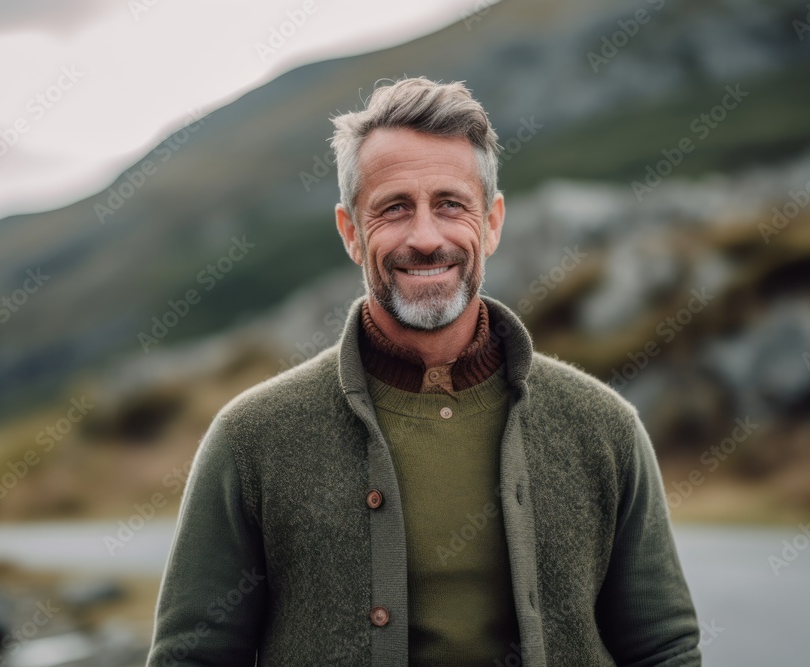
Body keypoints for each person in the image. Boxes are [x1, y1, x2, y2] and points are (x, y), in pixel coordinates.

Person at [147, 76, 701, 666]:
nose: (425, 237)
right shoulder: (252, 439)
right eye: (393, 209)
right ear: (351, 233)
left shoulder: (603, 427)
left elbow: (662, 646)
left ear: (490, 223)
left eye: (450, 205)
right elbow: (193, 656)